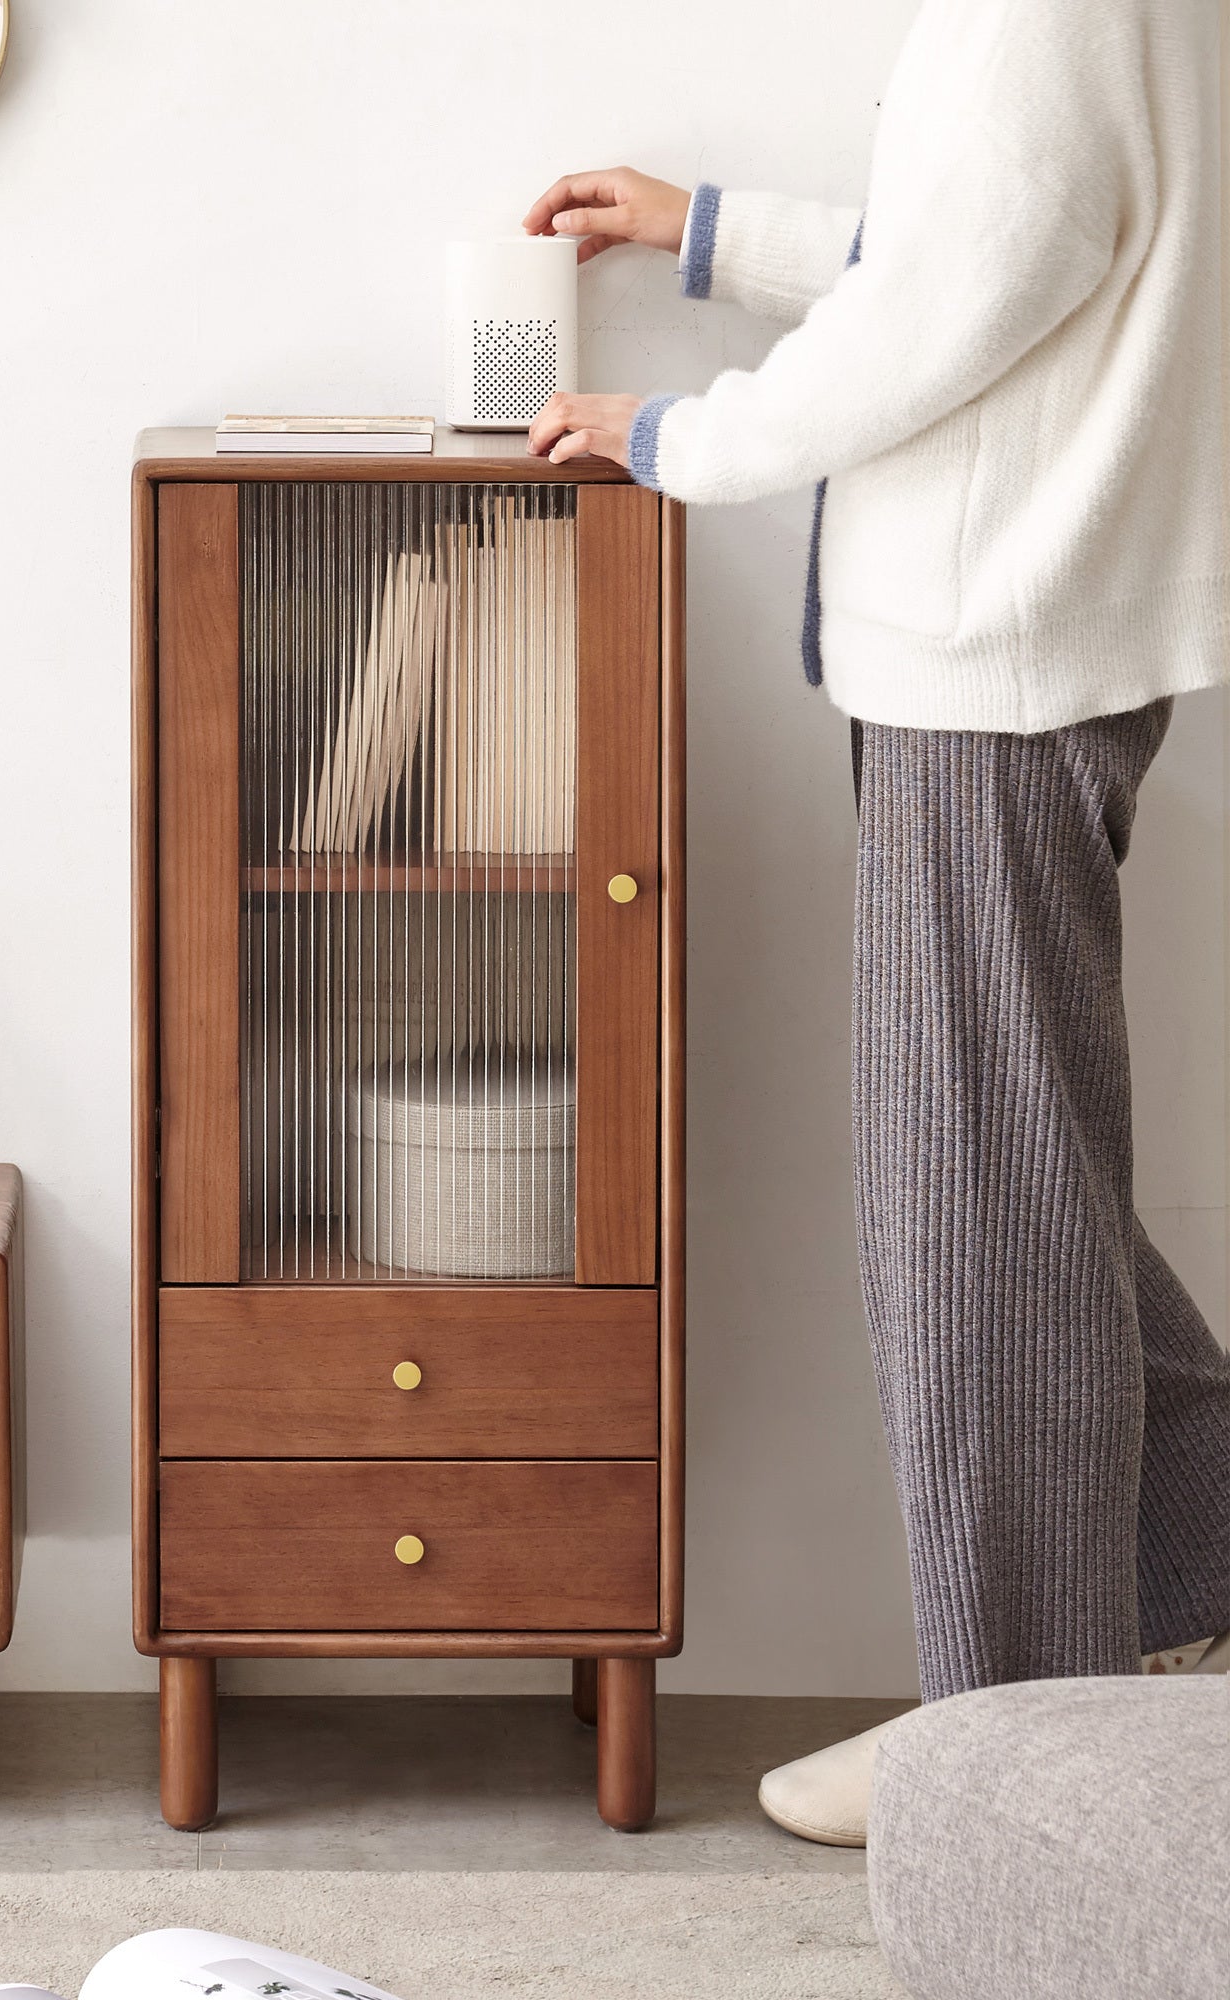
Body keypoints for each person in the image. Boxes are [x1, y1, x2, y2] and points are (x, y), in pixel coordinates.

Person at [522, 0, 1230, 1847]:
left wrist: (675, 432)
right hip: (1008, 658)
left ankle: (1007, 1755)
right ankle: (1190, 1604)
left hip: (991, 671)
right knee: (1030, 1184)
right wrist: (711, 233)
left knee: (981, 1220)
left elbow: (944, 310)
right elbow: (990, 248)